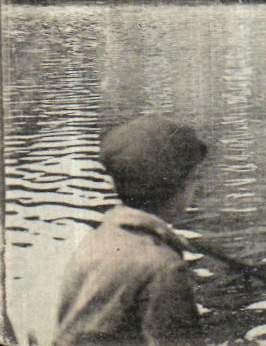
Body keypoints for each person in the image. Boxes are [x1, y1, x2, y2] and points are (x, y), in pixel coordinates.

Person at [56, 116, 209, 346]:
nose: (195, 189)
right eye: (192, 179)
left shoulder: (97, 240)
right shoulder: (163, 266)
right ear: (174, 187)